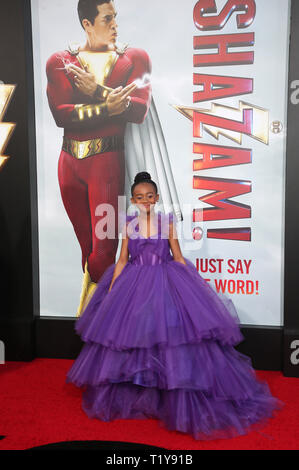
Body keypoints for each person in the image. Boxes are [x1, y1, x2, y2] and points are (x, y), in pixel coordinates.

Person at [66, 171, 283, 440]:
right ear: (132, 200)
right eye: (139, 197)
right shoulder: (128, 224)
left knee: (169, 339)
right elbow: (122, 259)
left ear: (156, 198)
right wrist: (111, 290)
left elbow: (177, 256)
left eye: (149, 197)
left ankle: (170, 394)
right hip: (134, 283)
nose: (145, 201)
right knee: (136, 339)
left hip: (165, 280)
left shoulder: (166, 223)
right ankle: (141, 395)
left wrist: (194, 286)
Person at [46, 0, 152, 317]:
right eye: (107, 18)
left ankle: (105, 326)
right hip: (69, 164)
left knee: (104, 252)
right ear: (88, 24)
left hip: (106, 163)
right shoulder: (61, 61)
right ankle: (98, 329)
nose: (115, 23)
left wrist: (97, 91)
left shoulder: (134, 58)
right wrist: (107, 107)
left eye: (115, 16)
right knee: (88, 251)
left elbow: (138, 110)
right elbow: (61, 116)